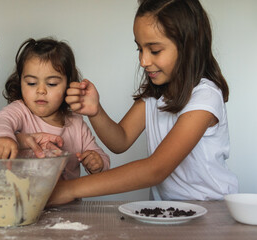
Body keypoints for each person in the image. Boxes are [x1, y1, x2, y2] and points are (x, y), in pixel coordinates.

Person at [47, 0, 238, 205]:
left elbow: (156, 169)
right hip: (169, 211)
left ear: (188, 48)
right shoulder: (155, 95)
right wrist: (96, 112)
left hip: (212, 211)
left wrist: (68, 189)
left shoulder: (205, 97)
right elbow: (121, 141)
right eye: (140, 49)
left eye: (154, 50)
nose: (143, 61)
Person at [0, 38, 110, 179]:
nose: (41, 90)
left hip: (69, 200)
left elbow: (102, 159)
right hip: (26, 199)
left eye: (51, 84)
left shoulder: (77, 124)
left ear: (68, 85)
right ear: (20, 81)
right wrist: (4, 137)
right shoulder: (20, 111)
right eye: (31, 83)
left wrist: (97, 163)